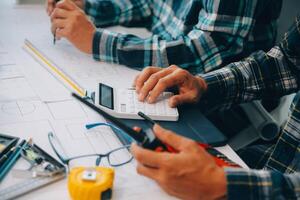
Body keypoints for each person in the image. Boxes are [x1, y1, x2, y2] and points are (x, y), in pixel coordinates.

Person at [130, 16, 300, 199]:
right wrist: (203, 84)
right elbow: (286, 62)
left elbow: (216, 43)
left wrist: (224, 186)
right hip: (277, 160)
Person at [46, 0, 282, 73]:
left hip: (216, 97)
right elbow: (151, 6)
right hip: (162, 67)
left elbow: (198, 54)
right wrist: (88, 7)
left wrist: (96, 41)